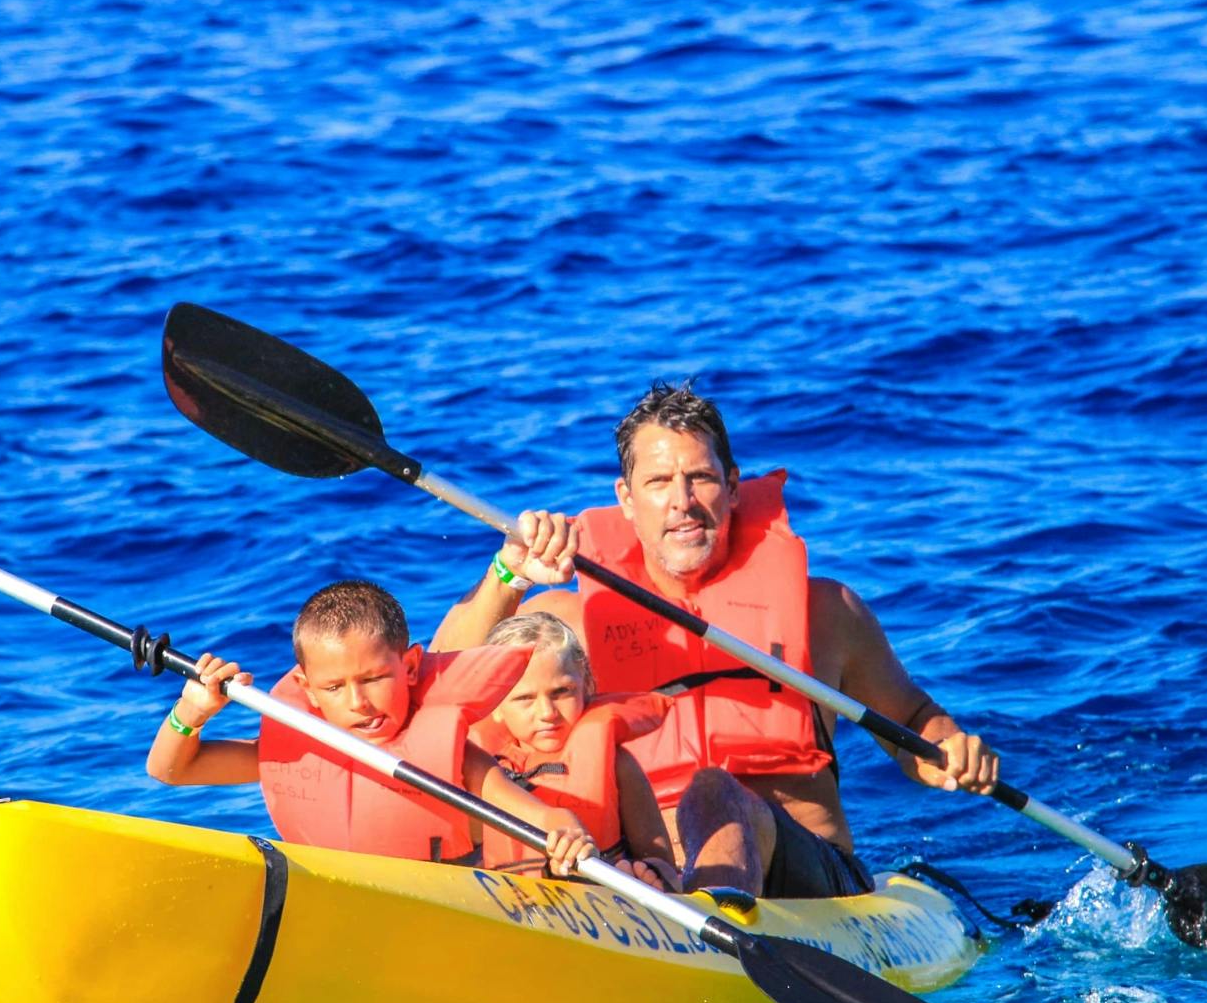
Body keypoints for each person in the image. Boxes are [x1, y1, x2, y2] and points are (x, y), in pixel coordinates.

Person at [431, 383, 1000, 898]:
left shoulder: (826, 612)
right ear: (626, 499)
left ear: (731, 487)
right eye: (658, 483)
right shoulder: (569, 627)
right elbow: (436, 689)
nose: (681, 500)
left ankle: (709, 926)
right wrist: (510, 574)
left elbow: (913, 725)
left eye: (699, 477)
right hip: (640, 877)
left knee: (713, 791)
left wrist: (949, 748)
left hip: (809, 880)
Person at [147, 578, 662, 886]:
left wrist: (561, 826)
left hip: (453, 904)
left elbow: (526, 808)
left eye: (374, 679)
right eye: (335, 687)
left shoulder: (445, 751)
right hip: (354, 901)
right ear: (306, 686)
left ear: (411, 668)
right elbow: (170, 769)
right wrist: (191, 712)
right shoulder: (297, 750)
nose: (357, 702)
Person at [466, 612, 680, 890]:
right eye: (525, 698)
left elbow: (662, 860)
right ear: (494, 704)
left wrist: (650, 872)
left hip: (600, 899)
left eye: (561, 692)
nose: (547, 712)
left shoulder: (618, 765)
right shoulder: (477, 768)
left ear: (586, 686)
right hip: (508, 901)